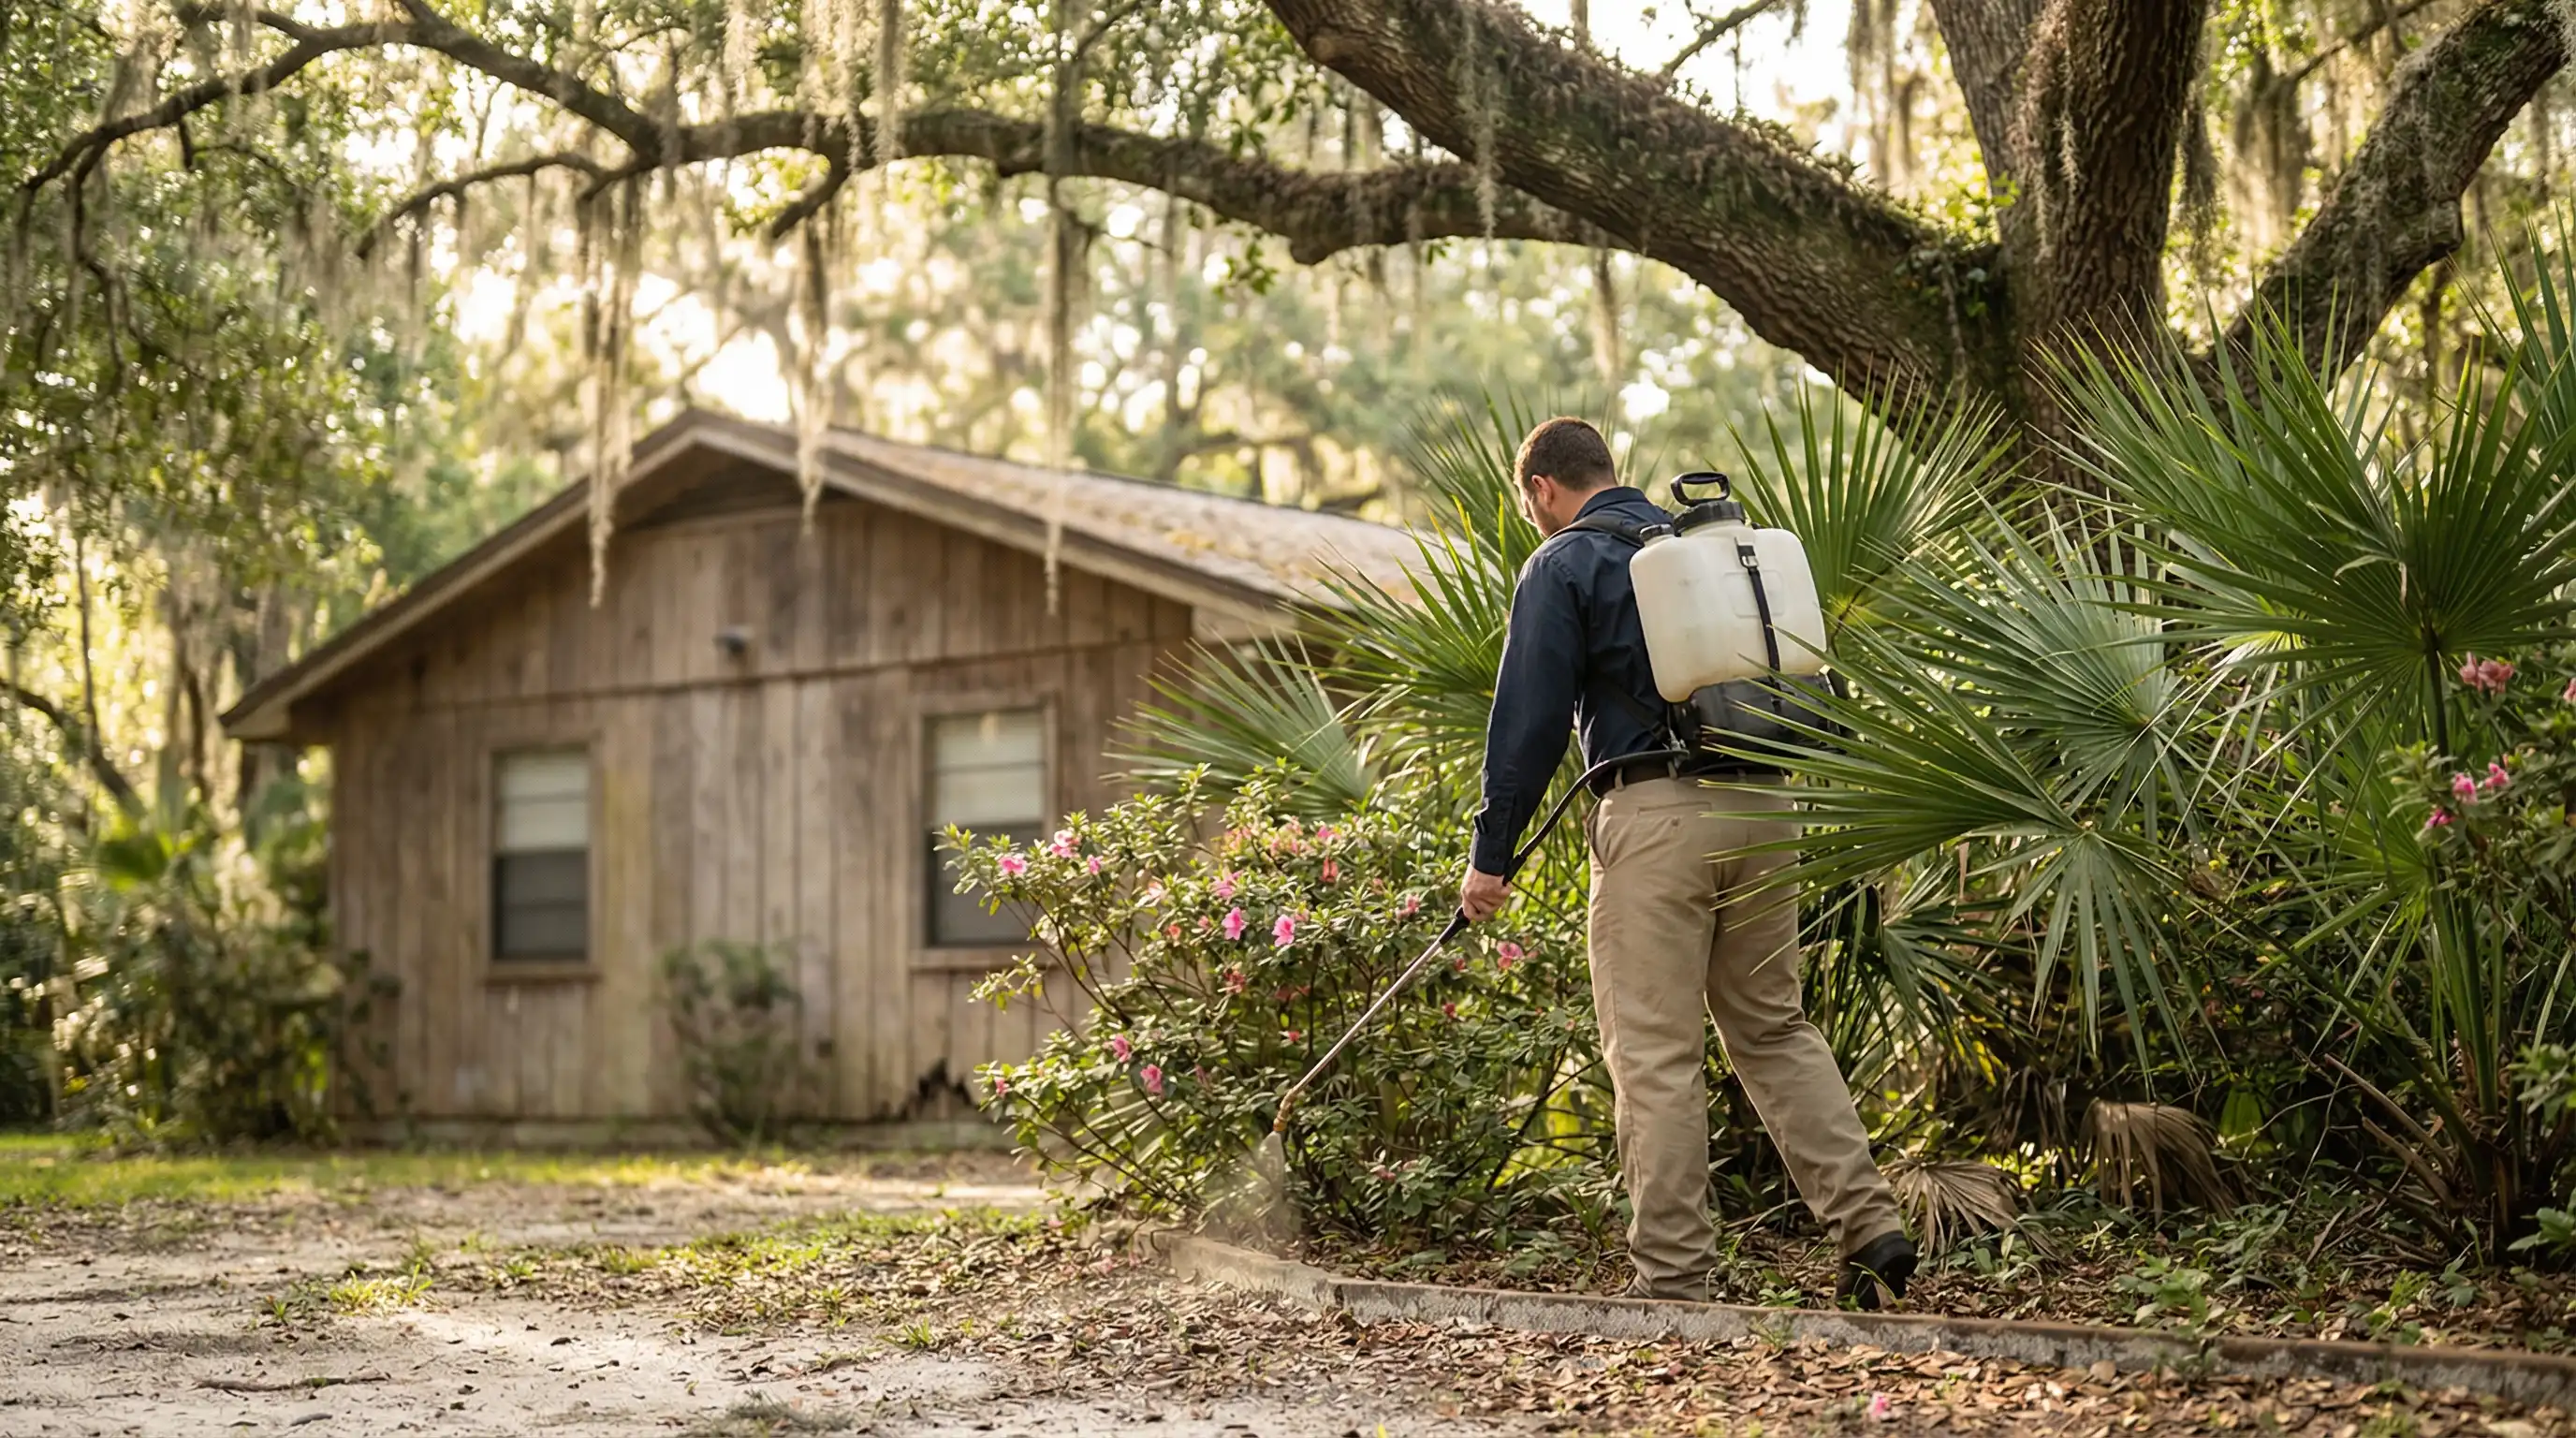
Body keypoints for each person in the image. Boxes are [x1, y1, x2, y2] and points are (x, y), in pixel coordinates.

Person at [1456, 416, 1917, 1309]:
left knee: (1657, 1053)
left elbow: (1528, 726)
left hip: (1658, 818)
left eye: (1530, 506)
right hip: (1767, 805)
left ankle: (1674, 1281)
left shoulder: (1562, 564)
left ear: (1544, 490)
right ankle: (1870, 1228)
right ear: (1610, 471)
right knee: (1775, 1028)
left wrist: (1491, 856)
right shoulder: (1706, 554)